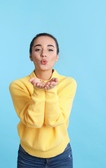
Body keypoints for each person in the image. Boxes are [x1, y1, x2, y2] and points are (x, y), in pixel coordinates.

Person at [9, 33, 77, 168]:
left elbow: (55, 120)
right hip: (29, 157)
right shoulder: (18, 85)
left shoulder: (68, 83)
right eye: (38, 49)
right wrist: (39, 91)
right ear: (30, 56)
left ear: (57, 57)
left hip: (61, 155)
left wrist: (50, 90)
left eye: (50, 49)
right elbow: (34, 122)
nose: (43, 54)